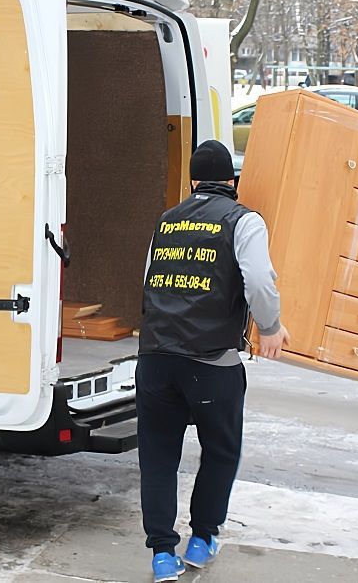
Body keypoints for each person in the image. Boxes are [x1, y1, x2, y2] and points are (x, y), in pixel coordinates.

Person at [136, 140, 289, 583]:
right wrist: (271, 326)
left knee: (158, 457)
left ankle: (162, 555)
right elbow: (258, 280)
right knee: (220, 451)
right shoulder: (243, 221)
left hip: (156, 359)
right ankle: (201, 540)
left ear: (192, 182)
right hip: (211, 362)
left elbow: (149, 281)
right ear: (232, 181)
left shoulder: (166, 221)